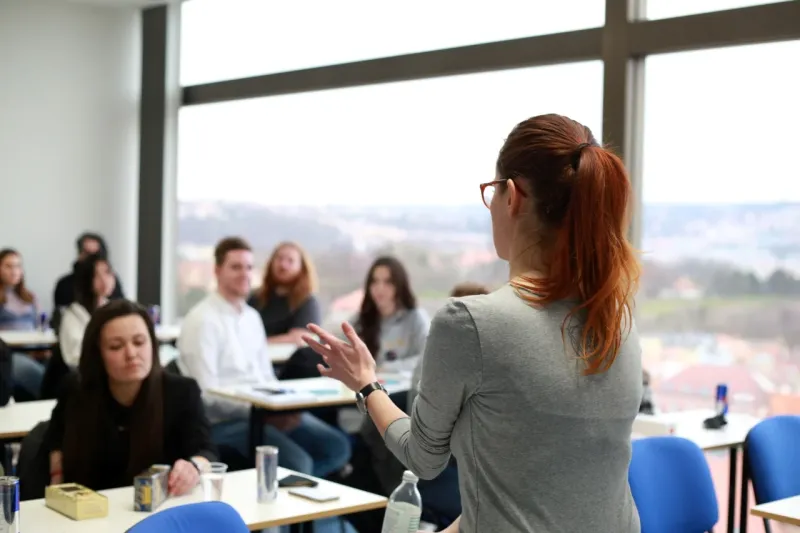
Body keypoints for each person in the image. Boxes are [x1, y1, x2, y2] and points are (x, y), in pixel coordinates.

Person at [305, 114, 643, 533]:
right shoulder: (617, 323)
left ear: (512, 197)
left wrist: (365, 383)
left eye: (492, 192)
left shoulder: (471, 323)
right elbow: (537, 489)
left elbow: (423, 457)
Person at [178, 237, 351, 478]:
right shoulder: (202, 320)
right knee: (299, 464)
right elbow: (206, 396)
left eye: (249, 267)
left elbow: (267, 377)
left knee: (337, 447)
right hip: (225, 422)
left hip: (265, 412)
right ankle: (291, 495)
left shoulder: (251, 317)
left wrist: (283, 407)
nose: (245, 274)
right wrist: (262, 413)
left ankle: (292, 493)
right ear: (218, 270)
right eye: (236, 267)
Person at [44, 300, 216, 492]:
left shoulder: (182, 391)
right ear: (97, 354)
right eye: (116, 346)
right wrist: (57, 478)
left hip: (159, 509)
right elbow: (54, 440)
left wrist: (193, 467)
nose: (131, 354)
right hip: (88, 509)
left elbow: (206, 451)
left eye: (139, 342)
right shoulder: (76, 390)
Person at [248, 242, 325, 381]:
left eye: (290, 260)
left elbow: (301, 338)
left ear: (301, 267)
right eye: (279, 258)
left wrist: (261, 342)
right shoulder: (255, 299)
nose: (283, 265)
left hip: (290, 372)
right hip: (254, 366)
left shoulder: (307, 302)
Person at [0, 248, 45, 401]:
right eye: (9, 266)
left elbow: (42, 324)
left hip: (36, 350)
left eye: (18, 266)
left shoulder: (30, 297)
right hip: (10, 354)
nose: (14, 271)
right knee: (39, 376)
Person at [59, 254, 117, 367]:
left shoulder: (113, 308)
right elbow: (73, 356)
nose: (104, 280)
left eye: (107, 273)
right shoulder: (74, 313)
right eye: (96, 275)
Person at [53, 232, 124, 311]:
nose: (93, 260)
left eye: (97, 254)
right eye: (88, 254)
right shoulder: (65, 284)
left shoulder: (111, 280)